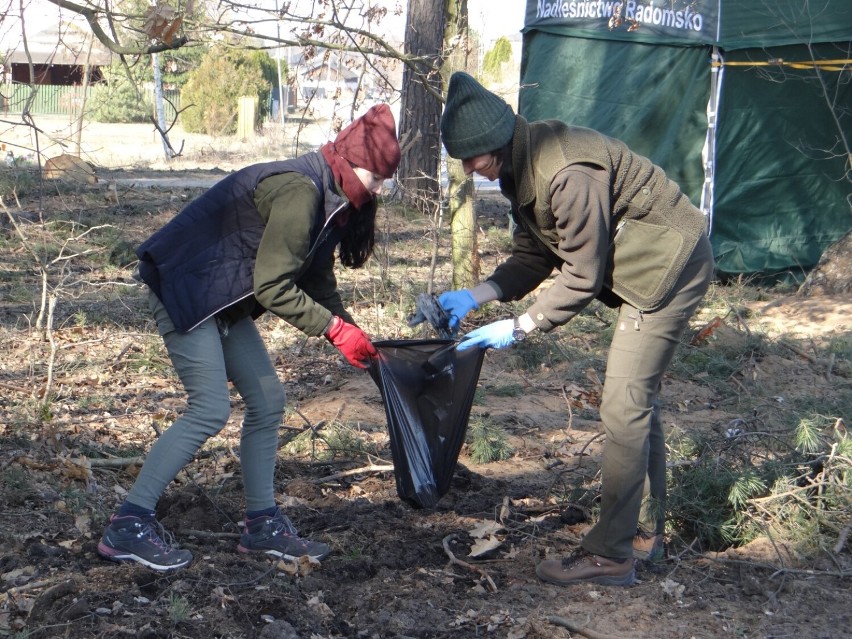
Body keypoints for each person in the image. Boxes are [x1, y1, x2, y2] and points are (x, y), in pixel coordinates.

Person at [437, 72, 714, 586]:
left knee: (623, 404)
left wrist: (521, 325)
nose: (470, 167)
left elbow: (582, 275)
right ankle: (644, 534)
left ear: (496, 138)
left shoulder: (565, 169)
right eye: (463, 158)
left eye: (473, 155)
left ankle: (611, 556)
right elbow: (533, 256)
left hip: (670, 270)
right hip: (648, 268)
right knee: (636, 403)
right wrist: (475, 296)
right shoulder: (518, 167)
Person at [97, 104, 401, 572]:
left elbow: (316, 280)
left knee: (268, 400)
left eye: (383, 180)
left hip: (223, 300)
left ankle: (262, 525)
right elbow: (273, 287)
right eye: (374, 176)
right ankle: (128, 524)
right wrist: (332, 328)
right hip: (186, 287)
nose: (377, 189)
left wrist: (350, 328)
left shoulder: (329, 198)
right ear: (349, 159)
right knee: (209, 409)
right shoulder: (302, 192)